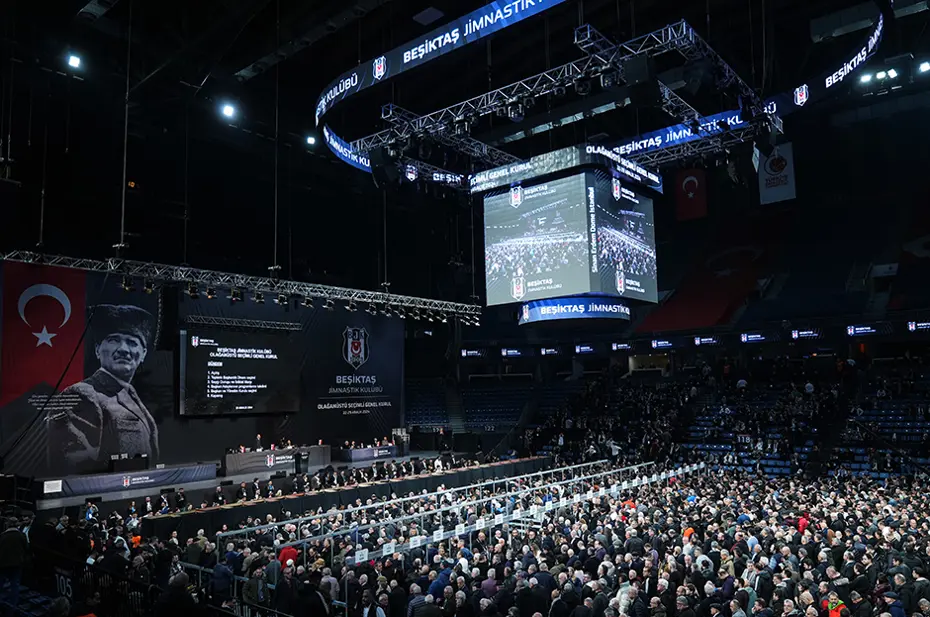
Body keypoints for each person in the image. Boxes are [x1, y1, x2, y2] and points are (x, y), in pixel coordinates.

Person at [48, 304, 158, 470]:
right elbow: (73, 465)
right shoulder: (82, 394)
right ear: (97, 349)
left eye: (132, 342)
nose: (123, 349)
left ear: (143, 353)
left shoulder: (131, 395)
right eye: (114, 340)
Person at [0, 517, 29, 613]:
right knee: (15, 585)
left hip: (3, 564)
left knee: (0, 584)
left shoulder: (2, 536)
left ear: (8, 525)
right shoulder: (22, 536)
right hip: (17, 564)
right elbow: (26, 549)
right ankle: (13, 606)